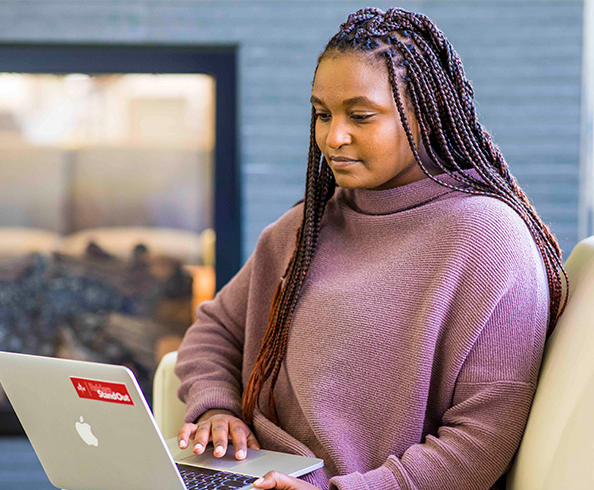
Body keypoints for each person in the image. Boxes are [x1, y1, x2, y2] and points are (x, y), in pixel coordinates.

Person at [174, 7, 568, 490]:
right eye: (322, 114)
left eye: (360, 116)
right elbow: (216, 327)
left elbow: (481, 441)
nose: (333, 137)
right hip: (253, 476)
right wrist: (217, 405)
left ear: (424, 116)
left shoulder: (488, 239)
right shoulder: (308, 225)